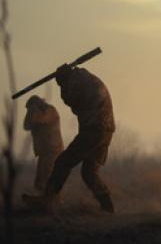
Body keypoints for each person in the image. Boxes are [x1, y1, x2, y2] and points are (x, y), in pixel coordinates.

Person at [23, 64, 116, 213]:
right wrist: (66, 80)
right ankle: (107, 206)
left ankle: (48, 200)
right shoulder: (87, 79)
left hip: (93, 130)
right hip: (106, 131)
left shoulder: (78, 83)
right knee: (89, 172)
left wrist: (63, 84)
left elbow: (71, 101)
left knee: (63, 162)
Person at [22, 95, 64, 192]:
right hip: (45, 152)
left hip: (53, 150)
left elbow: (39, 120)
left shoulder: (50, 110)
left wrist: (33, 110)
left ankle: (50, 198)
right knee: (40, 181)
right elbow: (26, 125)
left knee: (45, 179)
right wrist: (31, 111)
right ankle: (44, 197)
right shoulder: (36, 112)